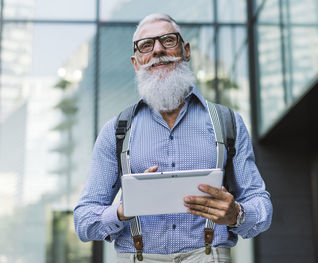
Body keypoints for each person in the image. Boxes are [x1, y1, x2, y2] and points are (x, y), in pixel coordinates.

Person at [74, 13, 273, 263]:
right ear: (136, 63)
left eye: (168, 40)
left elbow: (261, 205)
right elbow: (83, 221)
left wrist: (237, 214)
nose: (157, 50)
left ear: (185, 50)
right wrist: (124, 210)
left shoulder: (227, 123)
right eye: (146, 45)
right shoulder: (116, 132)